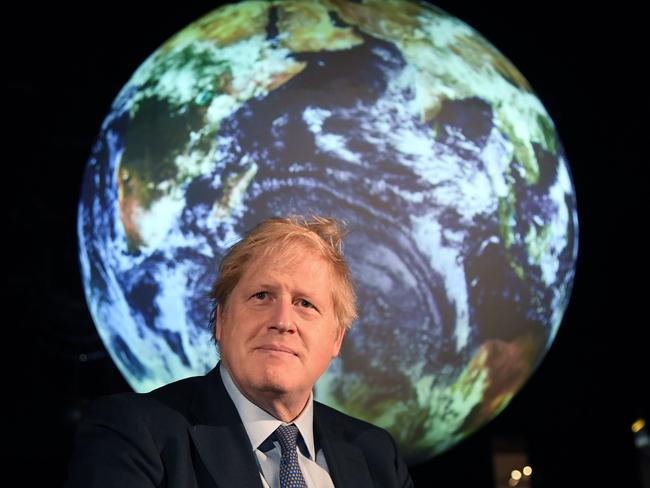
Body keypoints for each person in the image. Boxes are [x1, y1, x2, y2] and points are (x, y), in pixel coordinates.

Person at [65, 215, 414, 488]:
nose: (282, 321)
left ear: (336, 339)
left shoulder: (377, 456)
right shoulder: (135, 435)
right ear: (220, 320)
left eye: (305, 304)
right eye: (261, 296)